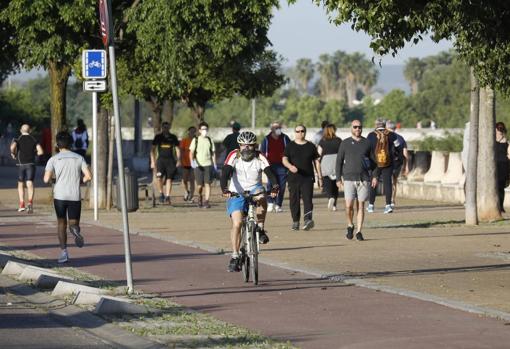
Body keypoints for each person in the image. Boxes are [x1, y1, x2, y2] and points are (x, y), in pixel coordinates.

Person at [221, 131, 279, 272]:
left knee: (262, 197)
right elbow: (225, 173)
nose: (246, 148)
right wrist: (225, 189)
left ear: (255, 146)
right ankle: (235, 255)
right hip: (236, 191)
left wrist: (275, 186)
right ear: (239, 146)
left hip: (254, 189)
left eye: (250, 146)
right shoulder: (233, 155)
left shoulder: (260, 157)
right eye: (243, 146)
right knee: (238, 223)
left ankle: (260, 227)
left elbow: (270, 173)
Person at [44, 131, 92, 263]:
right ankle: (75, 231)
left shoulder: (53, 159)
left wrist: (55, 179)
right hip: (74, 195)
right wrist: (80, 180)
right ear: (70, 143)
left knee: (61, 223)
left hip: (59, 195)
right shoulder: (79, 158)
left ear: (57, 144)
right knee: (73, 223)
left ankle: (64, 252)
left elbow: (46, 179)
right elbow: (89, 176)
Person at [336, 120, 380, 241]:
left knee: (360, 205)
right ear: (351, 128)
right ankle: (350, 225)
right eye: (355, 127)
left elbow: (375, 162)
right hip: (349, 178)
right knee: (348, 206)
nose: (357, 129)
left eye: (360, 127)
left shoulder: (367, 143)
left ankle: (359, 231)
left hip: (364, 179)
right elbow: (339, 161)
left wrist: (375, 176)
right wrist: (338, 178)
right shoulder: (344, 143)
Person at [282, 125, 322, 231]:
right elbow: (284, 159)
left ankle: (308, 220)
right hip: (293, 178)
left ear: (305, 132)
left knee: (308, 199)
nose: (300, 133)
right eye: (298, 131)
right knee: (294, 200)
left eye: (302, 131)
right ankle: (295, 221)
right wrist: (290, 166)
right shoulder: (290, 146)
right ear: (295, 132)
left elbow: (317, 162)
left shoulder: (311, 146)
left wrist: (320, 177)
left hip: (307, 178)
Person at [366, 118, 399, 214]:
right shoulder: (392, 135)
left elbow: (367, 149)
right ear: (384, 125)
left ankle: (371, 205)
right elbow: (397, 148)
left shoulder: (371, 135)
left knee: (373, 183)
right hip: (388, 163)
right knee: (387, 183)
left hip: (375, 163)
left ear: (375, 125)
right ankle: (388, 205)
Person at [10, 124, 44, 213]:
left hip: (20, 164)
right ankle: (30, 203)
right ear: (30, 131)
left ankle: (21, 204)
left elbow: (12, 147)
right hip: (31, 164)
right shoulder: (34, 139)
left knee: (20, 183)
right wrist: (33, 155)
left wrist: (13, 154)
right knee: (30, 183)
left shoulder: (18, 139)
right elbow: (40, 151)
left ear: (21, 130)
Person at [260, 121, 291, 213]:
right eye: (276, 127)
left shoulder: (285, 138)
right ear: (271, 129)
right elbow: (262, 153)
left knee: (281, 186)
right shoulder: (266, 139)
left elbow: (290, 151)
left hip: (283, 165)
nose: (278, 129)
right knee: (271, 184)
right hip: (270, 166)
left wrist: (289, 164)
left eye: (279, 127)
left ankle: (278, 204)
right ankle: (270, 202)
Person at [151, 121, 181, 205]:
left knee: (169, 179)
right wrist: (153, 162)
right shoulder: (158, 137)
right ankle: (161, 194)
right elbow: (152, 150)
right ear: (162, 128)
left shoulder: (173, 137)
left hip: (170, 160)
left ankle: (168, 196)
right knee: (159, 178)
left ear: (169, 128)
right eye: (164, 127)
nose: (165, 129)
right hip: (160, 160)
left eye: (167, 127)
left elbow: (178, 149)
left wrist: (178, 160)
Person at [190, 121, 217, 208]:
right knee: (199, 186)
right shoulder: (196, 140)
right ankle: (200, 196)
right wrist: (192, 162)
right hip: (198, 165)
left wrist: (215, 164)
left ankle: (206, 201)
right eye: (203, 129)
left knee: (207, 184)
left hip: (208, 164)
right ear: (199, 130)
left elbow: (213, 153)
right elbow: (191, 152)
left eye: (206, 129)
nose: (205, 130)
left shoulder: (210, 140)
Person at [318, 124, 342, 211]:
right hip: (336, 163)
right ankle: (334, 205)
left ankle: (330, 197)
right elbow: (342, 153)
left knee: (327, 184)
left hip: (325, 163)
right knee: (336, 185)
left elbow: (318, 154)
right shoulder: (339, 140)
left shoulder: (322, 141)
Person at [386, 120, 409, 207]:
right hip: (397, 163)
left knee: (388, 181)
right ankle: (392, 200)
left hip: (387, 163)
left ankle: (388, 201)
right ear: (395, 128)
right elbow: (405, 154)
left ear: (387, 128)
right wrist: (406, 166)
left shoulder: (384, 137)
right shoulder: (401, 138)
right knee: (394, 182)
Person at [495, 122, 510, 212]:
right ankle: (500, 206)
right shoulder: (506, 141)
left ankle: (499, 206)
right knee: (500, 187)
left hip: (498, 165)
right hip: (504, 165)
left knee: (498, 187)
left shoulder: (492, 141)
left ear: (496, 129)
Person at [180, 126, 196, 202]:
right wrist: (180, 160)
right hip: (185, 163)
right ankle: (186, 191)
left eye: (194, 131)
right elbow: (181, 151)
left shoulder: (197, 140)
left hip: (193, 164)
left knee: (192, 180)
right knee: (184, 180)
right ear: (188, 132)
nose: (192, 133)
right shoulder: (184, 140)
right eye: (191, 131)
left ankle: (191, 196)